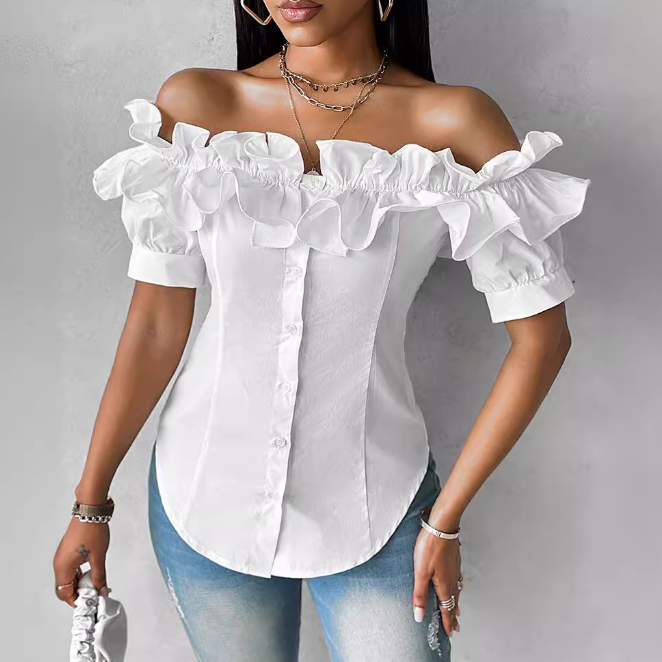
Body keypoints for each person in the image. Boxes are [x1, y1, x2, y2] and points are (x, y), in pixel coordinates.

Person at [53, 1, 591, 660]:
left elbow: (541, 339)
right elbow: (155, 324)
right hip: (202, 496)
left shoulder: (453, 122)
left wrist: (445, 520)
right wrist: (90, 503)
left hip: (379, 508)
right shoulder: (197, 105)